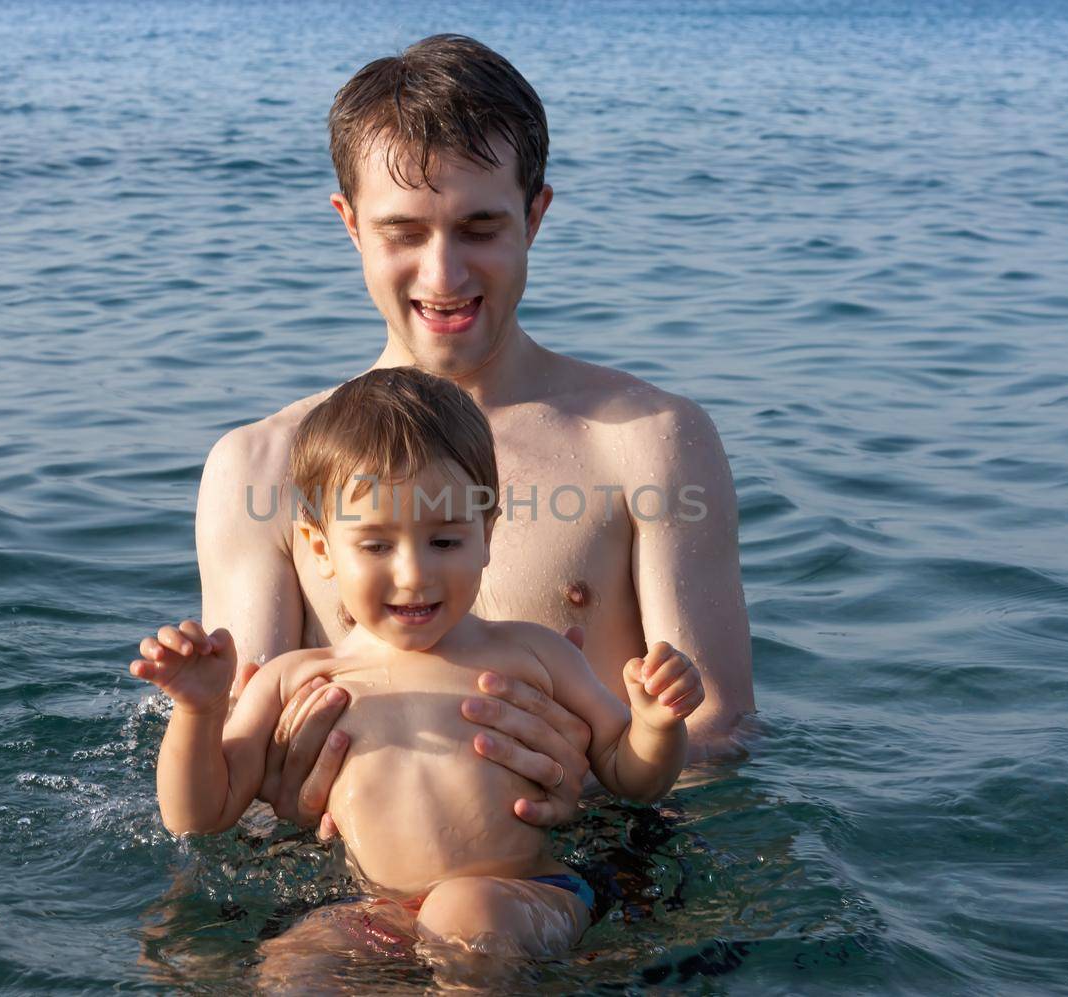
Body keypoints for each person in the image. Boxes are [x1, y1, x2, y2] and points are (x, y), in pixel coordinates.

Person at [133, 32, 752, 845]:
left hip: (597, 867)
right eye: (404, 233)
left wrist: (588, 779)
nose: (444, 276)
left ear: (536, 214)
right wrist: (281, 790)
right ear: (350, 225)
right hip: (340, 877)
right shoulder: (260, 466)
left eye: (480, 227)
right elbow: (234, 768)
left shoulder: (650, 442)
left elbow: (721, 736)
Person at [131, 367, 704, 965]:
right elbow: (198, 815)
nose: (414, 574)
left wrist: (657, 724)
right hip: (375, 911)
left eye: (445, 542)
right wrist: (197, 712)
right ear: (321, 548)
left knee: (463, 913)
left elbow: (634, 777)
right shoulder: (295, 679)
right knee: (294, 962)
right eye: (376, 545)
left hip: (528, 896)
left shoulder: (536, 653)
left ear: (487, 532)